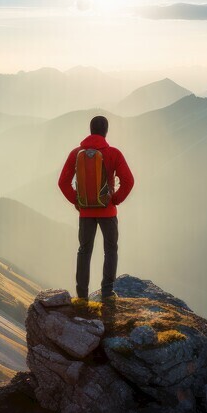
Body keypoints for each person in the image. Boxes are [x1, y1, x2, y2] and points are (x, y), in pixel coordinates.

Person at [58, 115, 135, 301]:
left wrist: (77, 201)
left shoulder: (76, 153)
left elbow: (63, 182)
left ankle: (82, 295)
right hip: (108, 211)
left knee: (84, 251)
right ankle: (107, 293)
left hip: (85, 212)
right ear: (106, 131)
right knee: (110, 250)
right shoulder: (114, 153)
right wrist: (115, 199)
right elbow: (128, 181)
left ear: (90, 130)